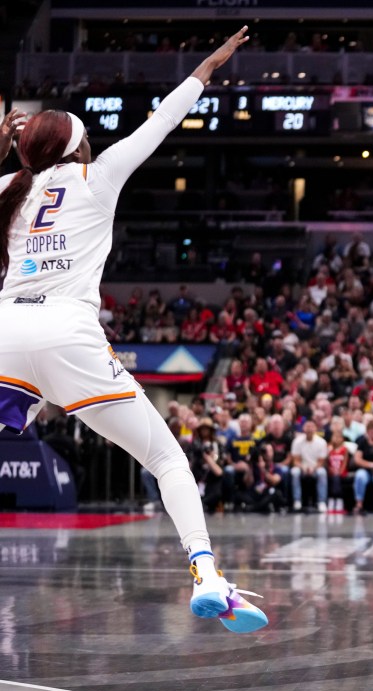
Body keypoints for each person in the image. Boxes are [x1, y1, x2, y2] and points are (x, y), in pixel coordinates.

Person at [0, 27, 266, 633]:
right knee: (166, 458)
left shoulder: (9, 191)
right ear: (77, 148)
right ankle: (206, 573)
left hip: (7, 333)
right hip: (65, 333)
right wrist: (208, 65)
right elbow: (165, 118)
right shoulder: (98, 177)